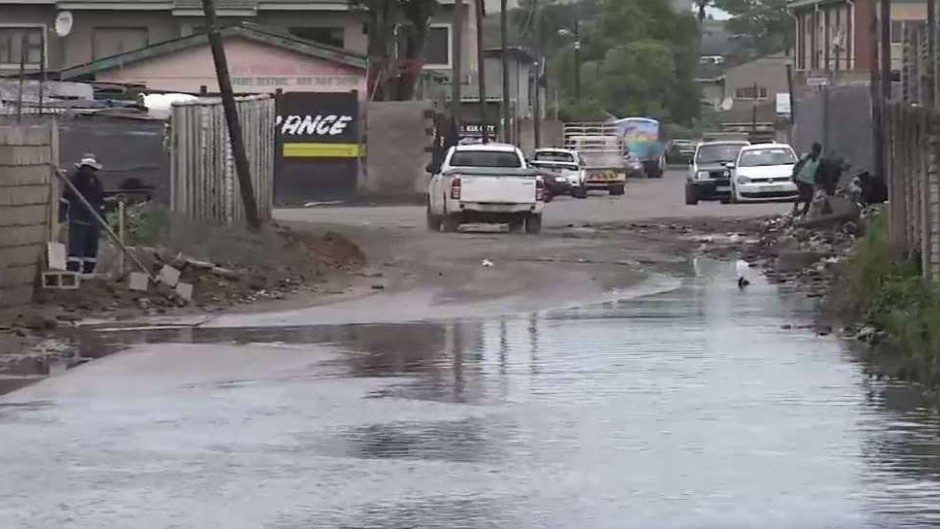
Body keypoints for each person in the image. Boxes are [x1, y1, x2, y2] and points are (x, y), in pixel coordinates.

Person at [61, 154, 105, 274]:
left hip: (93, 219)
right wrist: (61, 215)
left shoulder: (97, 183)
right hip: (78, 218)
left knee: (91, 246)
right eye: (86, 168)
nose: (89, 171)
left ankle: (88, 271)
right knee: (76, 244)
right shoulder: (74, 181)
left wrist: (102, 219)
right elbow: (66, 198)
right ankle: (73, 271)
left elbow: (100, 200)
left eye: (91, 168)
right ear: (82, 168)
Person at [792, 142, 821, 217]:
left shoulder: (818, 162)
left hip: (809, 181)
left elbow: (816, 173)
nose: (816, 153)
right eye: (815, 151)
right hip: (801, 179)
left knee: (809, 198)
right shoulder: (806, 157)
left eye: (818, 152)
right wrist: (794, 176)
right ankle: (796, 206)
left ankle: (804, 214)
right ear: (813, 150)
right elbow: (797, 166)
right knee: (804, 196)